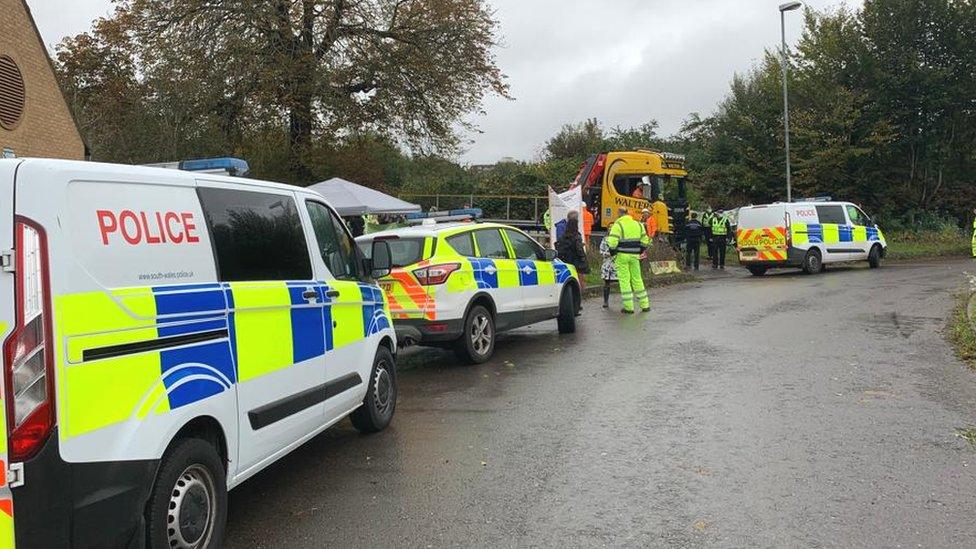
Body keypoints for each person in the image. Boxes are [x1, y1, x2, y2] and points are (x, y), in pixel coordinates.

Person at [607, 208, 650, 314]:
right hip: (635, 256)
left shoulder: (618, 225)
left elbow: (612, 242)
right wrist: (640, 250)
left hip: (621, 256)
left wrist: (613, 252)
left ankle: (629, 307)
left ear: (619, 214)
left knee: (624, 281)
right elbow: (645, 240)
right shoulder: (638, 225)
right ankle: (645, 305)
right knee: (637, 279)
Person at [556, 216, 589, 289]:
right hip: (577, 261)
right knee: (581, 279)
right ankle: (580, 295)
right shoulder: (577, 236)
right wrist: (583, 258)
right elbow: (579, 249)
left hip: (567, 260)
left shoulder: (563, 236)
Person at [599, 235, 617, 308]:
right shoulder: (605, 239)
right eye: (609, 227)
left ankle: (627, 301)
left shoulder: (619, 238)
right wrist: (606, 254)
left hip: (617, 263)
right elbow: (601, 251)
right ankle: (605, 301)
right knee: (607, 283)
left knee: (623, 283)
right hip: (607, 264)